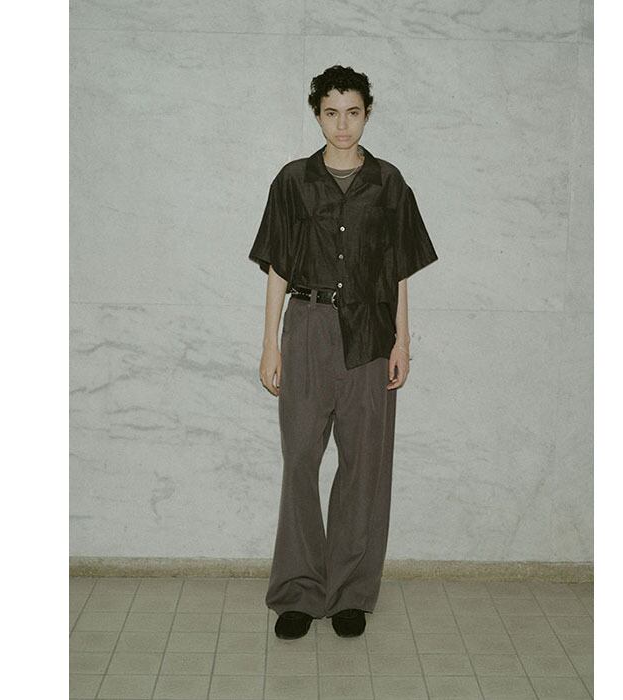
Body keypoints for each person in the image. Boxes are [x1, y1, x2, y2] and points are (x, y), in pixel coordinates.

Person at [248, 65, 438, 640]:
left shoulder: (388, 183)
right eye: (331, 113)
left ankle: (351, 592)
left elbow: (398, 269)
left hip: (371, 332)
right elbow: (278, 267)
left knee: (364, 465)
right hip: (307, 327)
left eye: (352, 112)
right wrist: (270, 344)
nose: (342, 124)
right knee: (301, 459)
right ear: (317, 115)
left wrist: (402, 340)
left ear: (366, 114)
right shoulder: (293, 181)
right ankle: (299, 592)